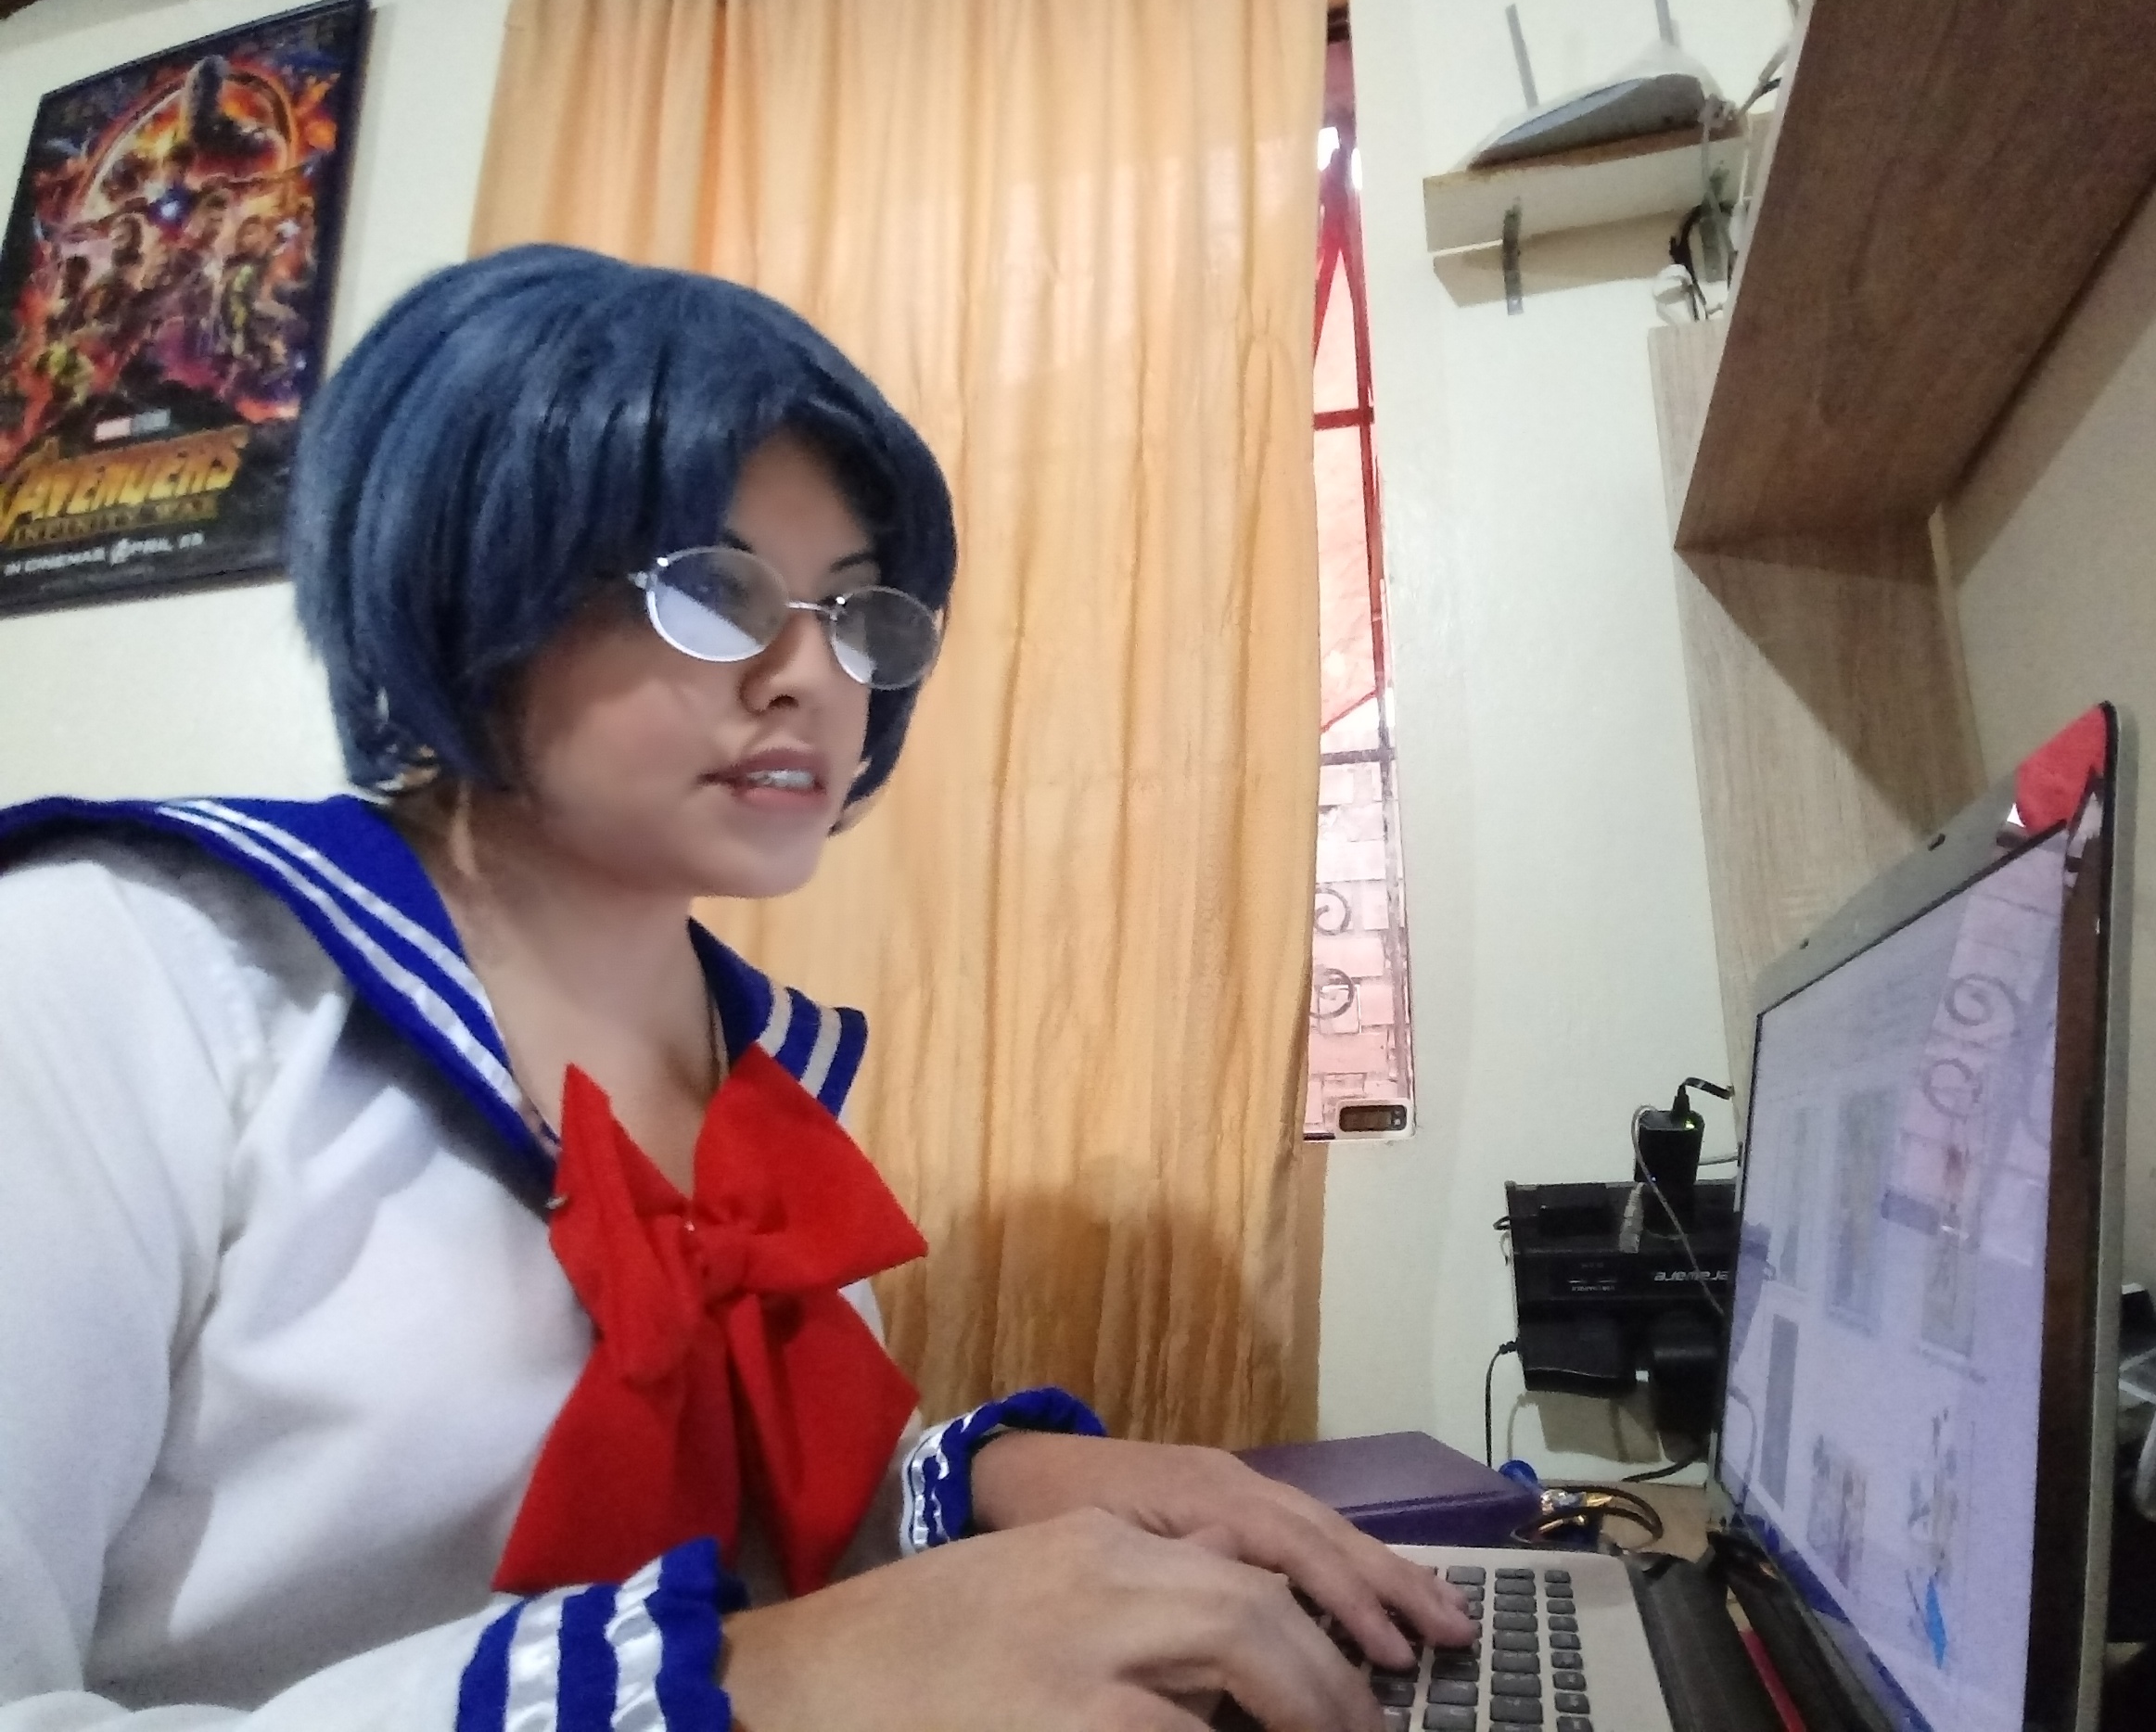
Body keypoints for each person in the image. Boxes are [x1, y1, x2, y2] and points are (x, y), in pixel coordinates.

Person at [0, 244, 1471, 1732]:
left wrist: (988, 1486)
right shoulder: (113, 974)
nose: (811, 677)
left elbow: (755, 1544)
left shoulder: (755, 1060)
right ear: (464, 574)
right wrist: (755, 1678)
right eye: (713, 589)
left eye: (857, 611)